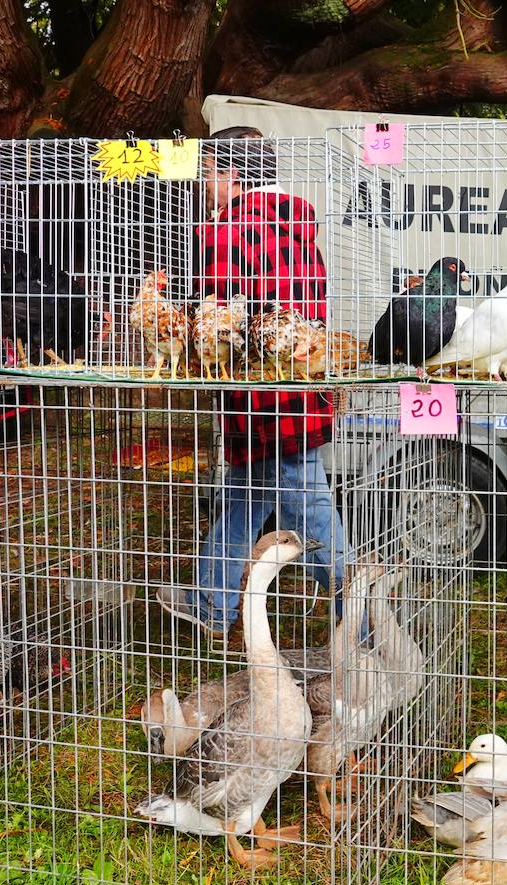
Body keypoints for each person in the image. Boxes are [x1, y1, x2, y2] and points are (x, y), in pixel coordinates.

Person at [156, 126, 347, 637]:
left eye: (208, 173)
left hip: (258, 395)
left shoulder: (224, 231)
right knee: (243, 496)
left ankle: (362, 620)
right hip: (300, 384)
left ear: (233, 174)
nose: (202, 185)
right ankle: (211, 600)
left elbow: (215, 314)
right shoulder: (299, 223)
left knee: (312, 511)